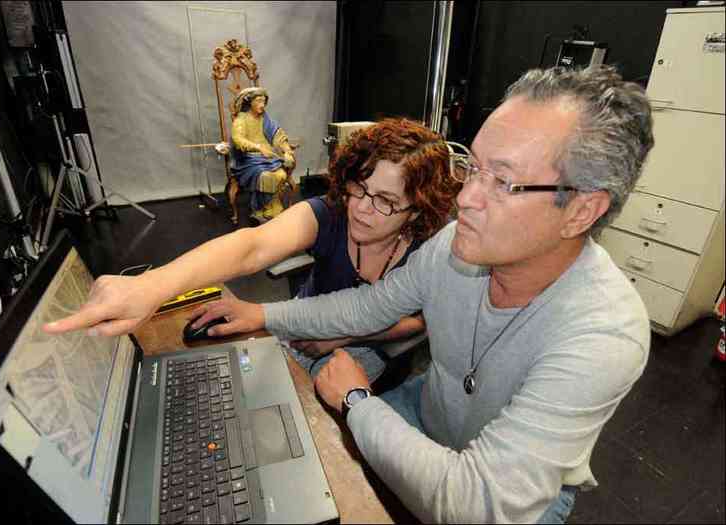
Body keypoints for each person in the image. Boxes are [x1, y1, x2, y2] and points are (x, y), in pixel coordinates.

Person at [186, 66, 655, 523]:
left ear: (580, 210)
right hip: (422, 415)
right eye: (472, 168)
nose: (466, 197)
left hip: (505, 502)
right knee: (305, 473)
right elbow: (366, 306)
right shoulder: (454, 248)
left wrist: (355, 401)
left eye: (503, 182)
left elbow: (479, 502)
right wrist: (263, 316)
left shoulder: (605, 334)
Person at [43, 118, 460, 383]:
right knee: (249, 383)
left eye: (385, 201)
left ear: (417, 207)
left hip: (366, 345)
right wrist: (151, 286)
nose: (362, 208)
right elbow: (251, 246)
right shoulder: (331, 213)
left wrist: (343, 335)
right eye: (359, 187)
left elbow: (417, 321)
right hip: (300, 324)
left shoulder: (430, 249)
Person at [230, 86, 296, 222]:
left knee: (281, 174)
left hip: (268, 158)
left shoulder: (265, 118)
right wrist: (258, 147)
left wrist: (287, 150)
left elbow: (278, 136)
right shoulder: (241, 120)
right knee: (266, 176)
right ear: (250, 102)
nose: (262, 105)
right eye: (259, 101)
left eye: (264, 101)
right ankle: (261, 208)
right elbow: (238, 139)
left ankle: (274, 205)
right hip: (248, 160)